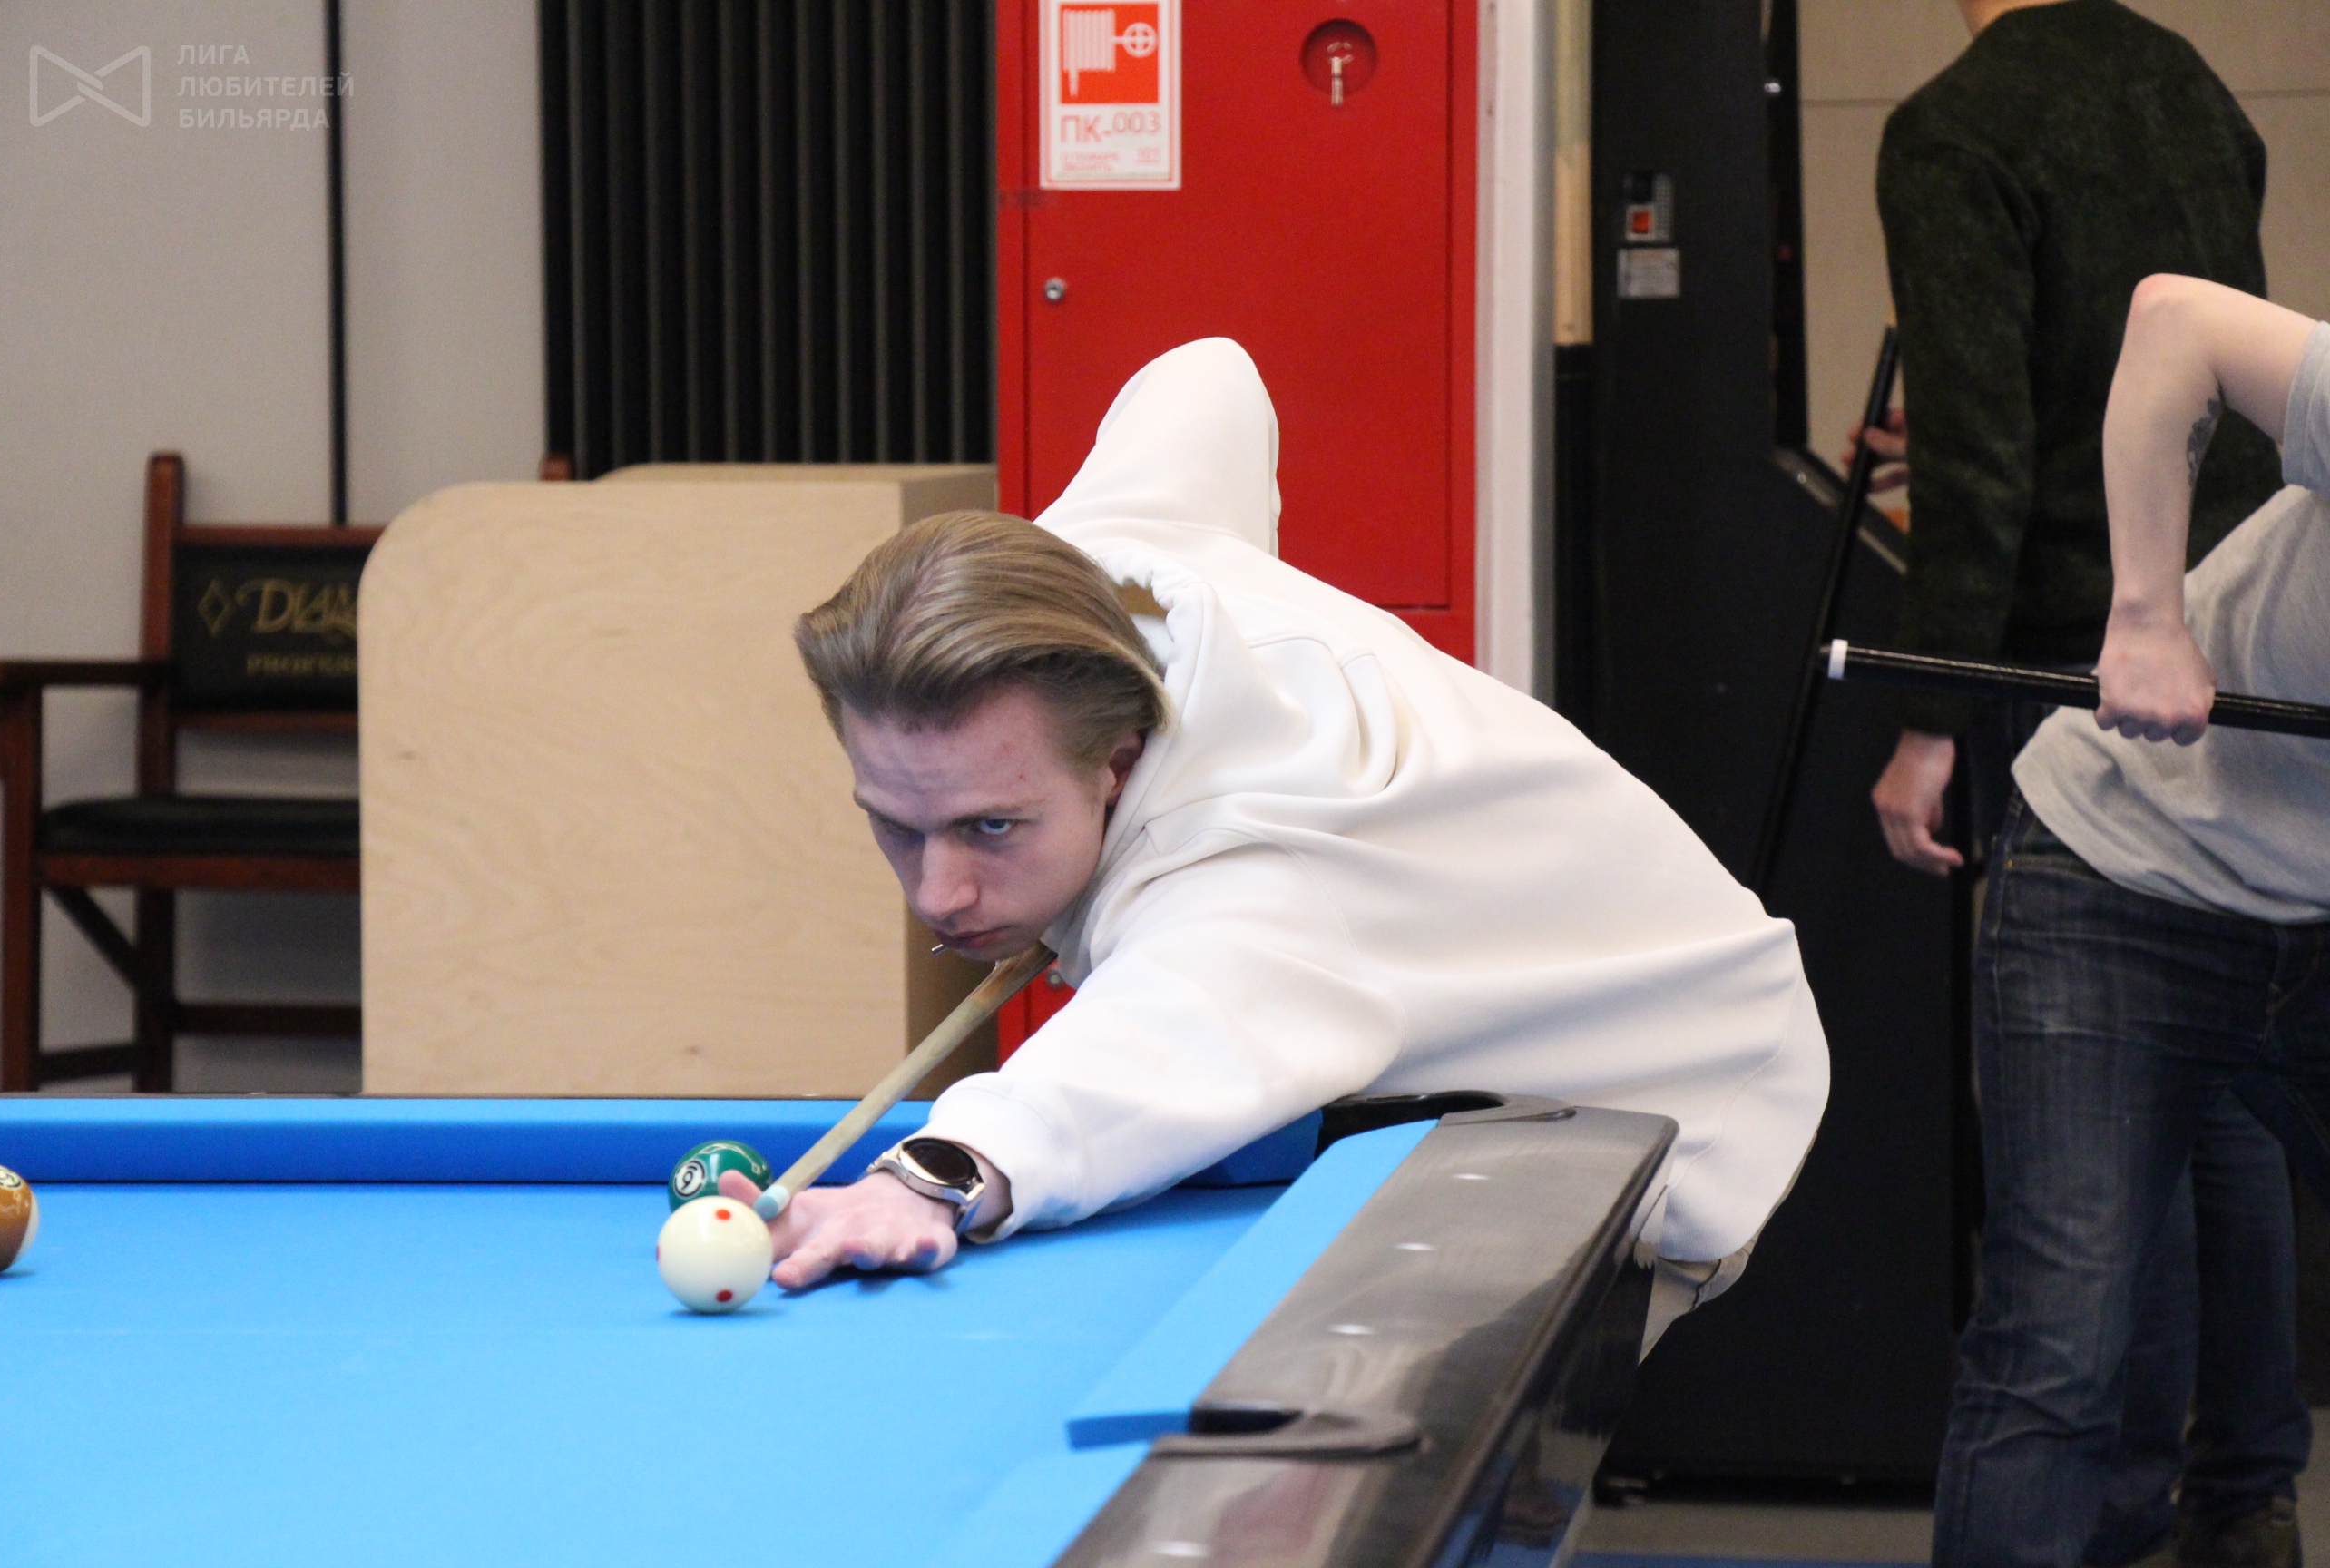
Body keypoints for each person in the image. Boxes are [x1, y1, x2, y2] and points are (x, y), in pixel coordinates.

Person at [732, 338, 1830, 1349]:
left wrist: (931, 1178)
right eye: (897, 823)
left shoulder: (1259, 864)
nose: (940, 892)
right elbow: (1208, 376)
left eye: (991, 827)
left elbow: (1152, 1043)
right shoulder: (1114, 563)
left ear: (1117, 760)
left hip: (1674, 1087)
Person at [1859, 5, 2303, 1563]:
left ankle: (2146, 1505)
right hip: (2212, 658)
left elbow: (1982, 458)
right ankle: (2236, 1495)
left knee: (2136, 1131)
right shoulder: (2186, 84)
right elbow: (2195, 378)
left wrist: (1928, 715)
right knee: (2212, 1124)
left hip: (2104, 681)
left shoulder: (1955, 125)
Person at [1935, 276, 2328, 1568]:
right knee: (2061, 1346)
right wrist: (2147, 617)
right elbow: (2173, 319)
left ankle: (2242, 1505)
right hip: (2122, 878)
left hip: (2316, 917)